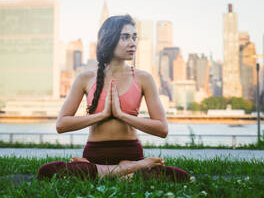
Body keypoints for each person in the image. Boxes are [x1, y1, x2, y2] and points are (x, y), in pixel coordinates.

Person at [37, 15, 190, 182]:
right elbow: (61, 125)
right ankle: (129, 170)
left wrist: (121, 115)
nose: (133, 43)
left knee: (181, 176)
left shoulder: (143, 78)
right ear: (109, 40)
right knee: (47, 171)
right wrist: (102, 115)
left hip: (130, 153)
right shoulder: (85, 78)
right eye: (125, 37)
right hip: (95, 155)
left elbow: (162, 129)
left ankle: (104, 172)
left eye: (134, 37)